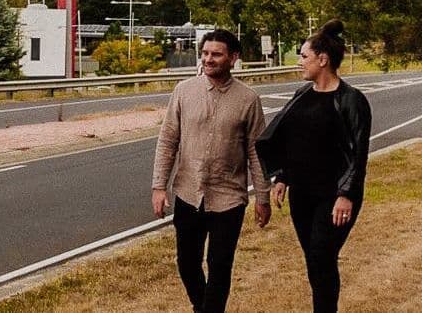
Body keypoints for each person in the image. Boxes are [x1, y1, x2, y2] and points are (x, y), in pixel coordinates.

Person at [152, 29, 271, 312]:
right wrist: (159, 186)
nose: (208, 59)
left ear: (233, 58)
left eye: (216, 54)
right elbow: (168, 140)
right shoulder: (183, 91)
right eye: (205, 53)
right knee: (187, 263)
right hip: (188, 193)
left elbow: (257, 152)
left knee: (219, 265)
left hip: (228, 198)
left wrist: (262, 197)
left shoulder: (248, 99)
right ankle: (201, 306)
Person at [258, 19, 372, 313]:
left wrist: (346, 194)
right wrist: (281, 176)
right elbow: (288, 139)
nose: (299, 62)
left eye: (304, 56)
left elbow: (358, 153)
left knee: (322, 255)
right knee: (314, 259)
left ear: (323, 59)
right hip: (303, 195)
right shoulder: (302, 96)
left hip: (334, 197)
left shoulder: (351, 100)